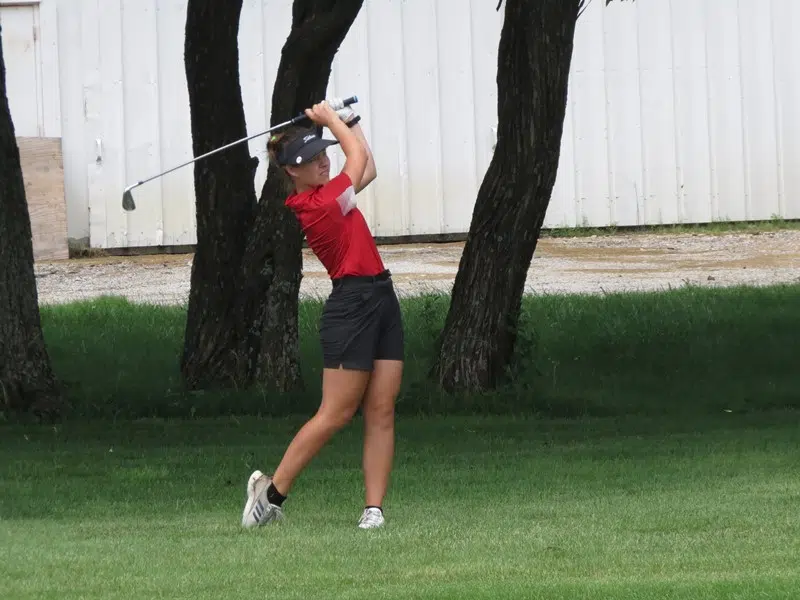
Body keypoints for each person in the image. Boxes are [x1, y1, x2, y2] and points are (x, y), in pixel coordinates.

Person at [240, 99, 404, 530]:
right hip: (351, 306)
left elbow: (366, 169)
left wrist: (348, 122)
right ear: (292, 171)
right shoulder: (317, 204)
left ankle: (374, 510)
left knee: (382, 408)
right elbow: (359, 159)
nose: (321, 161)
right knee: (335, 413)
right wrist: (332, 119)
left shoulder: (331, 194)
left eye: (322, 152)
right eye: (310, 159)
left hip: (381, 296)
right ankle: (271, 493)